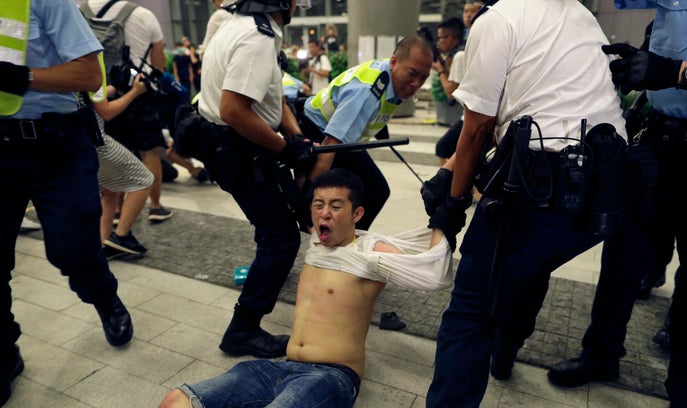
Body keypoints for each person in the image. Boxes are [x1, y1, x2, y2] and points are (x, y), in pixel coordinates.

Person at [97, 169, 452, 408]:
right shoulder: (316, 239)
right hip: (277, 370)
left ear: (358, 213)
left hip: (331, 378)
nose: (323, 213)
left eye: (336, 206)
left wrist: (443, 217)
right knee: (175, 404)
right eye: (318, 204)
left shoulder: (369, 252)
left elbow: (433, 272)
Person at [403, 1, 627, 408]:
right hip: (605, 186)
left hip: (544, 185)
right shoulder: (580, 13)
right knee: (529, 262)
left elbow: (480, 126)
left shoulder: (499, 20)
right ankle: (505, 352)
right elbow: (544, 105)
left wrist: (455, 202)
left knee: (469, 311)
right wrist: (453, 174)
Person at [547, 0, 687, 408]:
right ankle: (601, 355)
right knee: (622, 254)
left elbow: (678, 70)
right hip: (659, 137)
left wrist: (677, 72)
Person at [0, 0, 134, 408]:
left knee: (71, 249)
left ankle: (104, 296)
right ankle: (5, 355)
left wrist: (21, 78)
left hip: (58, 145)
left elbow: (89, 74)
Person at [189, 0, 313, 359]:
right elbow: (233, 110)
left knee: (271, 227)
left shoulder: (241, 26)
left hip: (238, 146)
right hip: (239, 150)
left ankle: (254, 304)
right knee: (282, 237)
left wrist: (296, 137)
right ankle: (243, 329)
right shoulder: (256, 38)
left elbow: (272, 100)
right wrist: (284, 149)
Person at [298, 36, 433, 230]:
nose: (416, 84)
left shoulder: (388, 75)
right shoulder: (367, 93)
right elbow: (329, 147)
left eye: (423, 78)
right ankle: (340, 241)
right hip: (320, 134)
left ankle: (349, 241)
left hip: (345, 138)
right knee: (371, 191)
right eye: (412, 73)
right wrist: (306, 201)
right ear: (394, 62)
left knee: (375, 190)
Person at [85, 0, 173, 223]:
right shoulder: (143, 15)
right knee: (149, 151)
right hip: (138, 90)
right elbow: (159, 62)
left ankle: (115, 208)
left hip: (100, 90)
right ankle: (155, 206)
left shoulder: (81, 11)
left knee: (111, 150)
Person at [93, 75, 154, 258]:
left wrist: (115, 88)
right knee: (144, 180)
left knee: (110, 190)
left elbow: (92, 95)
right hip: (97, 141)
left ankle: (101, 246)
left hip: (80, 141)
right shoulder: (87, 58)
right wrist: (135, 91)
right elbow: (107, 111)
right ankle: (121, 236)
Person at [434, 5, 483, 165]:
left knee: (444, 147)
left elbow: (451, 92)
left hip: (473, 115)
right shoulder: (472, 46)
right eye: (465, 11)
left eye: (474, 10)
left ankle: (446, 188)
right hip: (481, 113)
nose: (468, 15)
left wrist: (441, 70)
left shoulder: (461, 55)